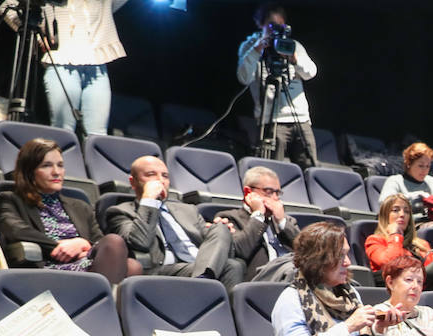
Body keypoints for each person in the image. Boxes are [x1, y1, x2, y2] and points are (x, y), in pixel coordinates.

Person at [271, 222, 416, 336]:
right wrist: (348, 327)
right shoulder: (291, 299)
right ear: (318, 259)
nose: (348, 262)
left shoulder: (349, 293)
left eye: (347, 254)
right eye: (340, 256)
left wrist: (379, 328)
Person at [0, 137, 138, 283]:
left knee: (131, 264)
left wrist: (82, 244)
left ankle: (103, 303)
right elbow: (17, 231)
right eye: (46, 165)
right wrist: (62, 248)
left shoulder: (81, 206)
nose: (57, 172)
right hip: (49, 266)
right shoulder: (11, 199)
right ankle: (106, 303)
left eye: (60, 165)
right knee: (124, 257)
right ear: (30, 171)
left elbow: (99, 241)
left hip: (85, 264)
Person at [106, 156, 243, 287]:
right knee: (230, 266)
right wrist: (149, 200)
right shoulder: (120, 211)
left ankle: (203, 281)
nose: (161, 180)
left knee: (224, 239)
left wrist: (225, 234)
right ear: (133, 182)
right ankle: (202, 281)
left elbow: (212, 244)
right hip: (162, 269)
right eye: (151, 174)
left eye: (165, 176)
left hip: (198, 264)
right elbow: (140, 242)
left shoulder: (188, 210)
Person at [13, 0, 127, 135]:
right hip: (63, 63)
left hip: (97, 67)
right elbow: (9, 7)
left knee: (97, 134)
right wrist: (37, 35)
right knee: (63, 130)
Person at [237, 4, 318, 168]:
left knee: (310, 169)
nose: (276, 32)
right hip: (271, 120)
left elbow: (311, 72)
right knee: (273, 170)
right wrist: (257, 49)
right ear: (261, 24)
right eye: (272, 26)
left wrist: (294, 59)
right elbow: (244, 78)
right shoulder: (250, 46)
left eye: (280, 27)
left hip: (300, 118)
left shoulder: (292, 45)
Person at [215, 165, 299, 281]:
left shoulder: (287, 221)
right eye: (269, 192)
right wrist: (259, 214)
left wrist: (281, 221)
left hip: (292, 276)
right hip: (260, 280)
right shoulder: (229, 217)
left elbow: (306, 250)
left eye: (277, 193)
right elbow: (241, 250)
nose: (275, 198)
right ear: (248, 192)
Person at [378, 141, 433, 216]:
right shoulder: (395, 181)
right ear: (409, 164)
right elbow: (384, 202)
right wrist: (416, 197)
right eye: (420, 166)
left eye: (428, 166)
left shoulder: (431, 181)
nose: (425, 170)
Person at [365, 195, 431, 275]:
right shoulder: (374, 241)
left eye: (406, 211)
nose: (402, 215)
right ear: (385, 215)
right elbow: (391, 264)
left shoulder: (421, 244)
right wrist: (395, 235)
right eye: (396, 210)